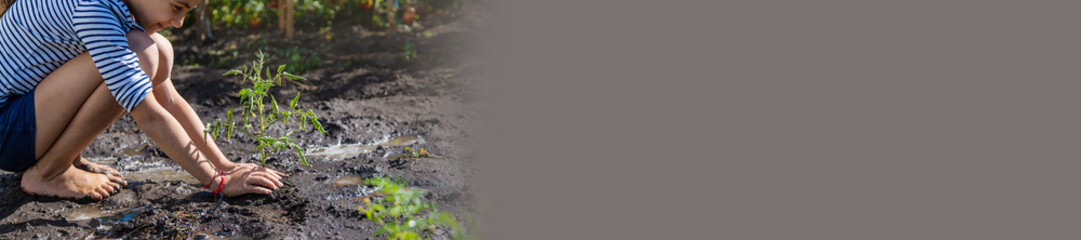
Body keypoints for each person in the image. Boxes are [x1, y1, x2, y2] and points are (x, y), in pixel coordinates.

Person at [0, 0, 287, 200]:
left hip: (25, 124)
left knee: (159, 49)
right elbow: (149, 115)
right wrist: (218, 182)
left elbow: (168, 101)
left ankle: (63, 158)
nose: (178, 23)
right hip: (7, 134)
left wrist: (225, 166)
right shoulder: (92, 8)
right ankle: (51, 171)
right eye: (177, 7)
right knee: (142, 52)